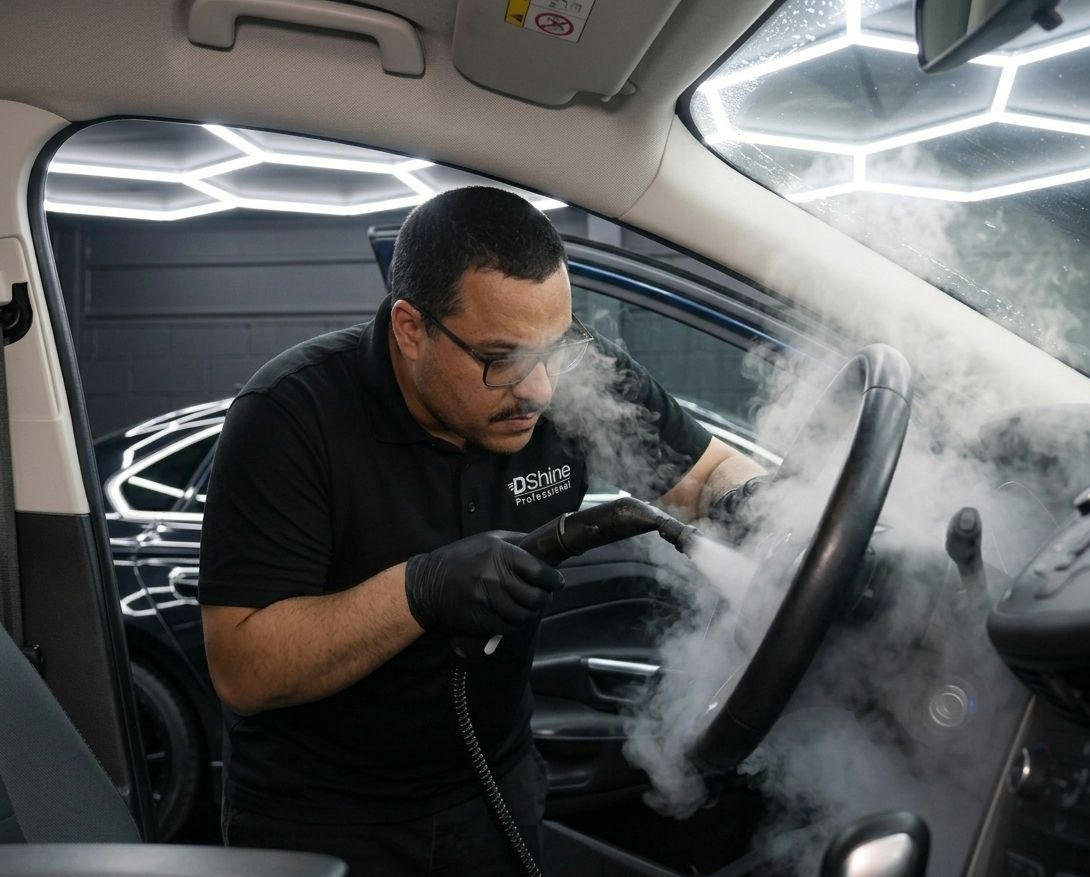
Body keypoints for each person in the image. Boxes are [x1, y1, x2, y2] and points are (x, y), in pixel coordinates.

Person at [198, 186, 766, 875]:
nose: (539, 391)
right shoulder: (290, 416)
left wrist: (761, 512)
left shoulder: (572, 374)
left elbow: (709, 474)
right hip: (322, 817)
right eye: (501, 359)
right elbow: (245, 669)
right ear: (411, 328)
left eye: (553, 349)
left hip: (496, 787)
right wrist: (419, 589)